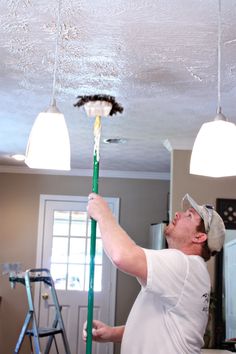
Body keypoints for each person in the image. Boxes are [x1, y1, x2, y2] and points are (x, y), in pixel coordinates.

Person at [83, 193, 225, 353]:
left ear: (199, 237)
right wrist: (111, 333)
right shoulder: (190, 270)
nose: (178, 214)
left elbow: (122, 255)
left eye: (189, 215)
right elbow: (155, 324)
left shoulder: (185, 265)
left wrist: (103, 213)